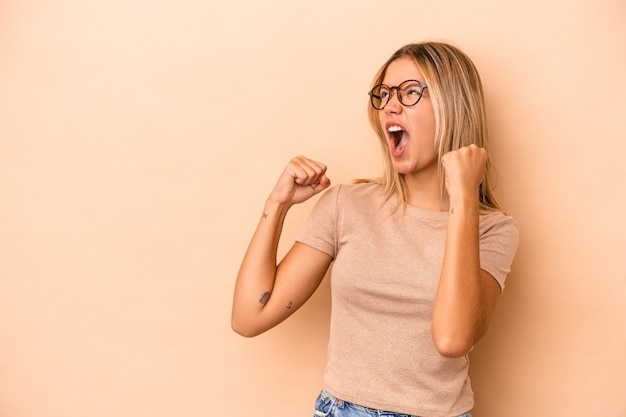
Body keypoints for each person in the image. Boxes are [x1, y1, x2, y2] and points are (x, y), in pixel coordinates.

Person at [231, 41, 519, 417]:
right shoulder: (346, 204)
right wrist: (277, 204)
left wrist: (463, 195)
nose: (390, 106)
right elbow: (249, 318)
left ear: (453, 105)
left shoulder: (492, 230)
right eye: (383, 95)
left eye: (410, 92)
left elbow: (452, 338)